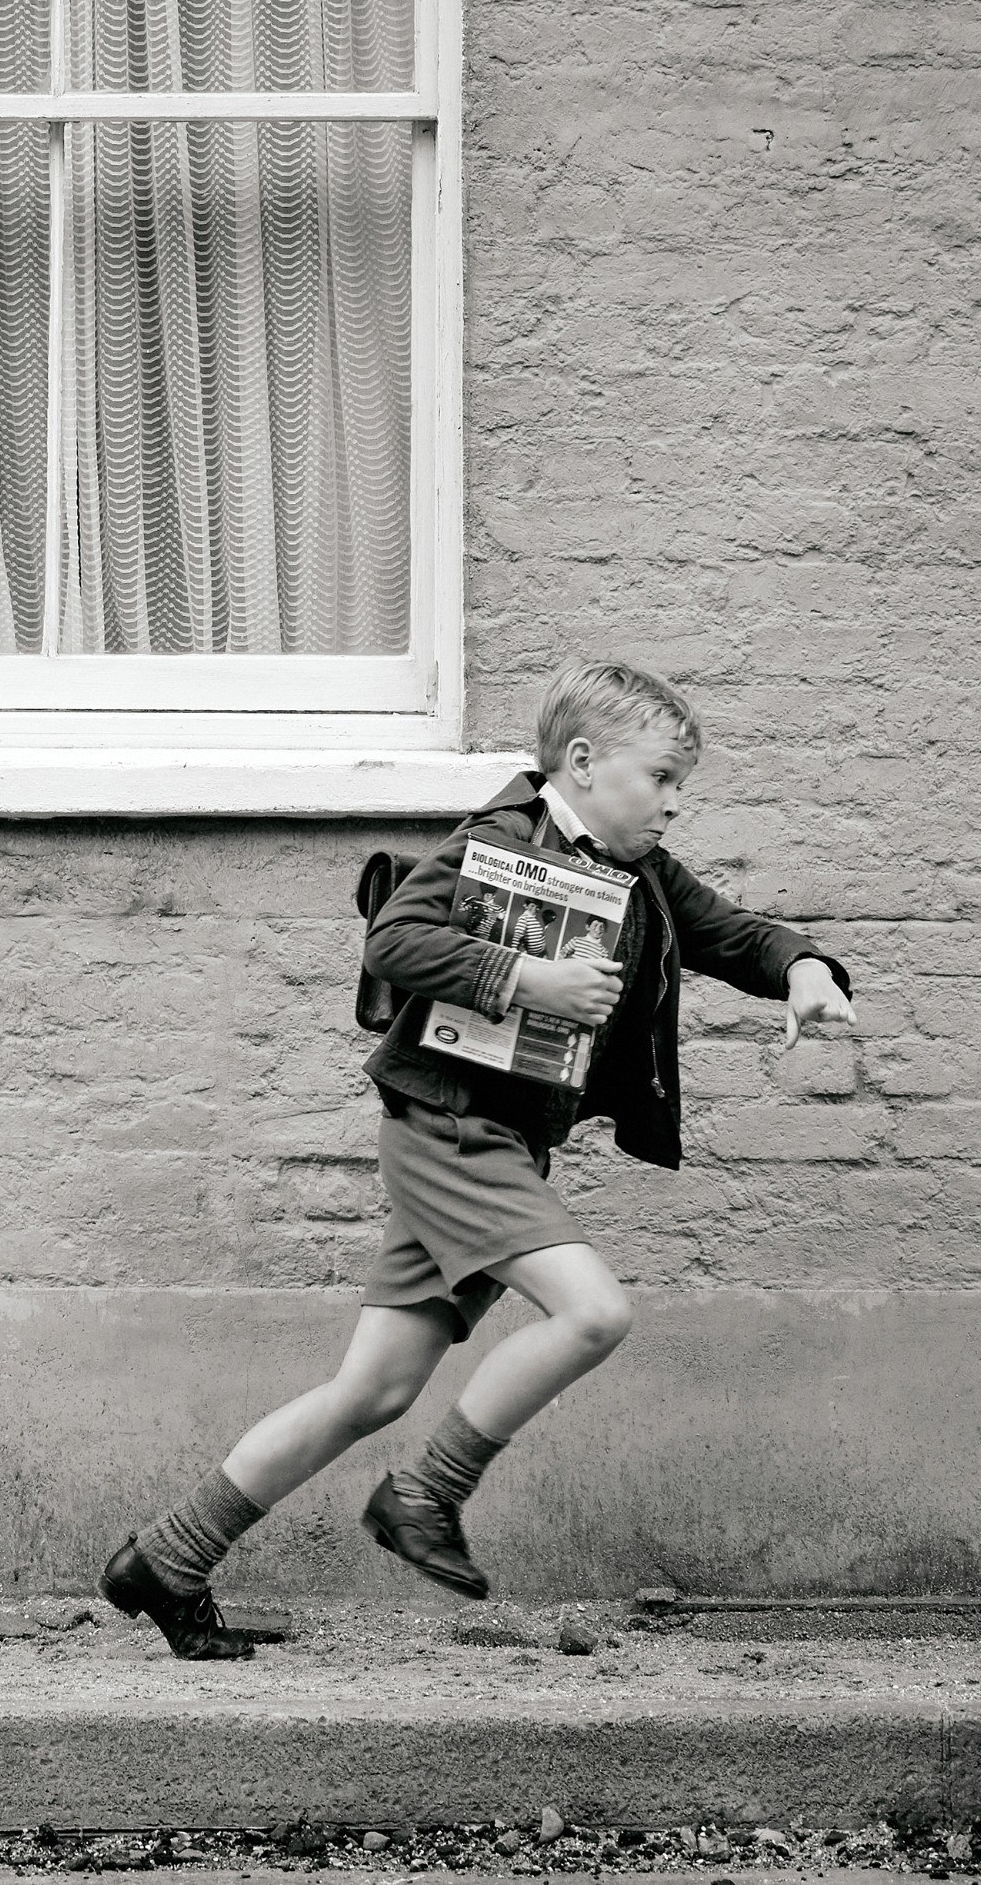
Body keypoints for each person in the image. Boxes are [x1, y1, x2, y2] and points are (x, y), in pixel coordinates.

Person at [97, 661, 856, 1657]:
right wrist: (528, 973)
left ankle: (168, 1555)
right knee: (592, 1311)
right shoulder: (497, 840)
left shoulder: (637, 872)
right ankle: (424, 1497)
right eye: (661, 777)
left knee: (369, 1389)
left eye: (683, 786)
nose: (674, 801)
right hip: (451, 1129)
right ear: (582, 763)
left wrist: (803, 970)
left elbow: (733, 932)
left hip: (490, 1141)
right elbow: (397, 940)